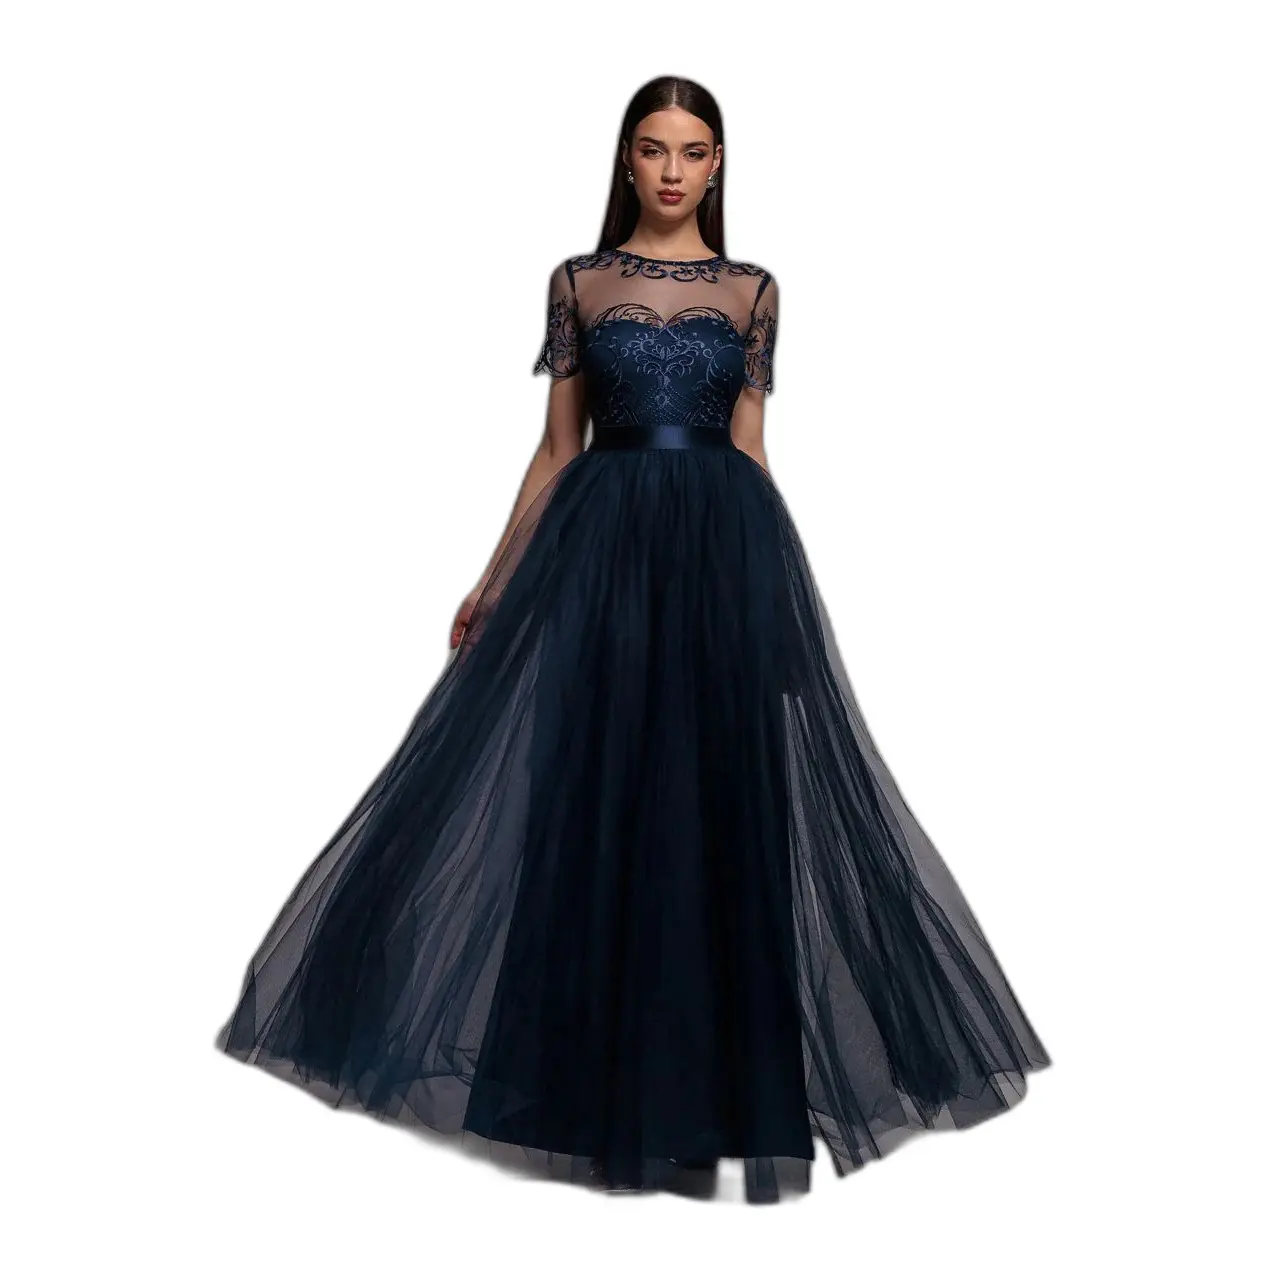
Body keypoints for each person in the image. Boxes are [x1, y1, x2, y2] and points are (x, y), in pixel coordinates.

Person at [214, 74, 1051, 1205]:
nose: (672, 170)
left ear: (718, 165)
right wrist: (493, 576)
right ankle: (578, 1086)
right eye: (653, 148)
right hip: (601, 556)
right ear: (625, 159)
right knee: (596, 789)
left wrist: (777, 595)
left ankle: (718, 1094)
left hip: (723, 555)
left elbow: (749, 447)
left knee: (720, 803)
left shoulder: (754, 290)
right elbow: (557, 448)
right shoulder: (577, 280)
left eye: (693, 151)